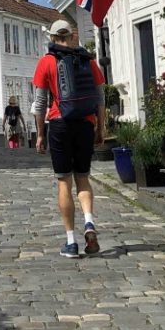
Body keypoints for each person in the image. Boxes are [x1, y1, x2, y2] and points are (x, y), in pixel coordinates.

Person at [33, 18, 105, 258]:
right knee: (83, 178)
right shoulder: (88, 60)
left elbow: (40, 104)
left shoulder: (46, 62)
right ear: (71, 36)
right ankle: (89, 222)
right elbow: (100, 98)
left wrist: (40, 134)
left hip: (59, 123)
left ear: (53, 38)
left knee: (64, 182)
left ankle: (71, 242)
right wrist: (101, 128)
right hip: (85, 124)